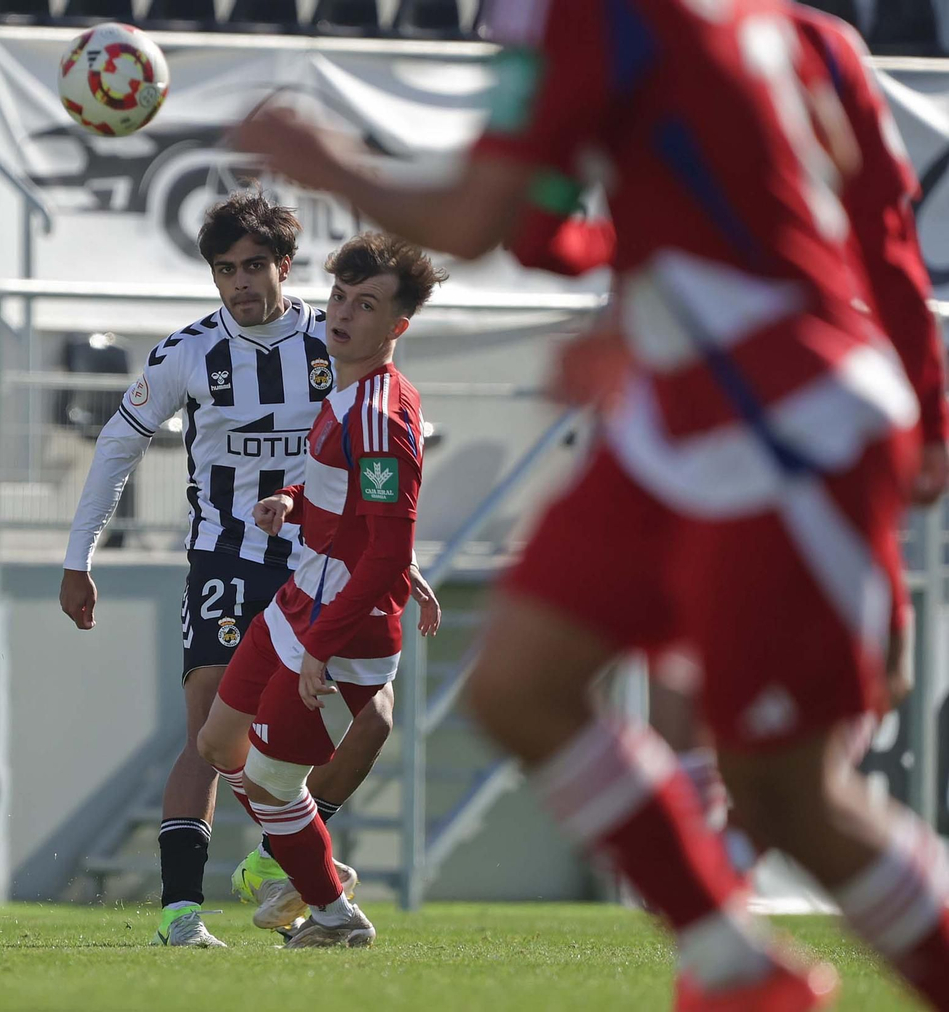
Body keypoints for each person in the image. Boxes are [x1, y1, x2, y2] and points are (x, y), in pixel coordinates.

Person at [233, 0, 949, 1007]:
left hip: (786, 420)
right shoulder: (806, 33)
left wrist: (321, 160)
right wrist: (641, 284)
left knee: (789, 792)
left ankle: (747, 960)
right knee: (519, 683)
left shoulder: (598, 18)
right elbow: (552, 227)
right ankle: (735, 967)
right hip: (684, 413)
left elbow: (478, 221)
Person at [506, 0, 949, 858]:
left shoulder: (730, 41)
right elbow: (888, 245)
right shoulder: (810, 45)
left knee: (831, 720)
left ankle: (733, 876)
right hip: (725, 408)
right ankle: (726, 887)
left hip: (798, 407)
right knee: (664, 679)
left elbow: (529, 229)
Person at [60, 192, 440, 947]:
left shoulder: (339, 346)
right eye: (224, 269)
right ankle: (181, 913)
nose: (239, 282)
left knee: (370, 722)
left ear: (283, 266)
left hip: (320, 564)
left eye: (254, 265)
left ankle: (276, 861)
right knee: (210, 726)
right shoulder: (188, 353)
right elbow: (117, 443)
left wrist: (402, 558)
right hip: (229, 556)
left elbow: (374, 479)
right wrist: (79, 557)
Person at [196, 232, 443, 948]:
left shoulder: (379, 413)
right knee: (219, 742)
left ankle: (333, 913)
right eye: (339, 296)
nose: (342, 314)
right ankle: (299, 871)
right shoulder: (353, 391)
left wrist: (320, 650)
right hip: (304, 595)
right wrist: (296, 500)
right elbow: (360, 509)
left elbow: (387, 545)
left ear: (397, 327)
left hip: (340, 625)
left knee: (274, 785)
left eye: (366, 305)